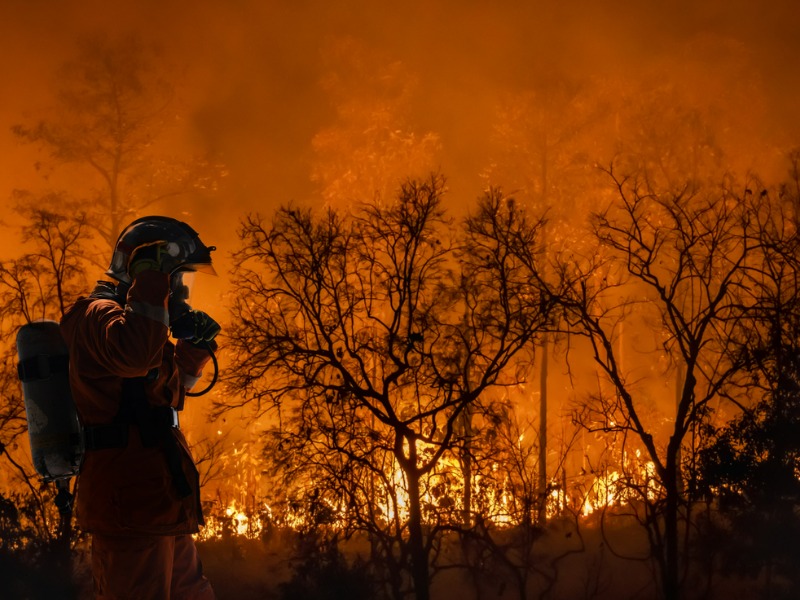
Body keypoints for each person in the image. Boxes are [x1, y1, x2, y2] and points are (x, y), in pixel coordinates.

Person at [60, 216, 221, 599]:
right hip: (129, 507)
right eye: (175, 277)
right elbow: (134, 359)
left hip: (161, 503)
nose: (179, 290)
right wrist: (151, 284)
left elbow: (161, 400)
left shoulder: (136, 325)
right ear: (141, 269)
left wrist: (194, 352)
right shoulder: (97, 316)